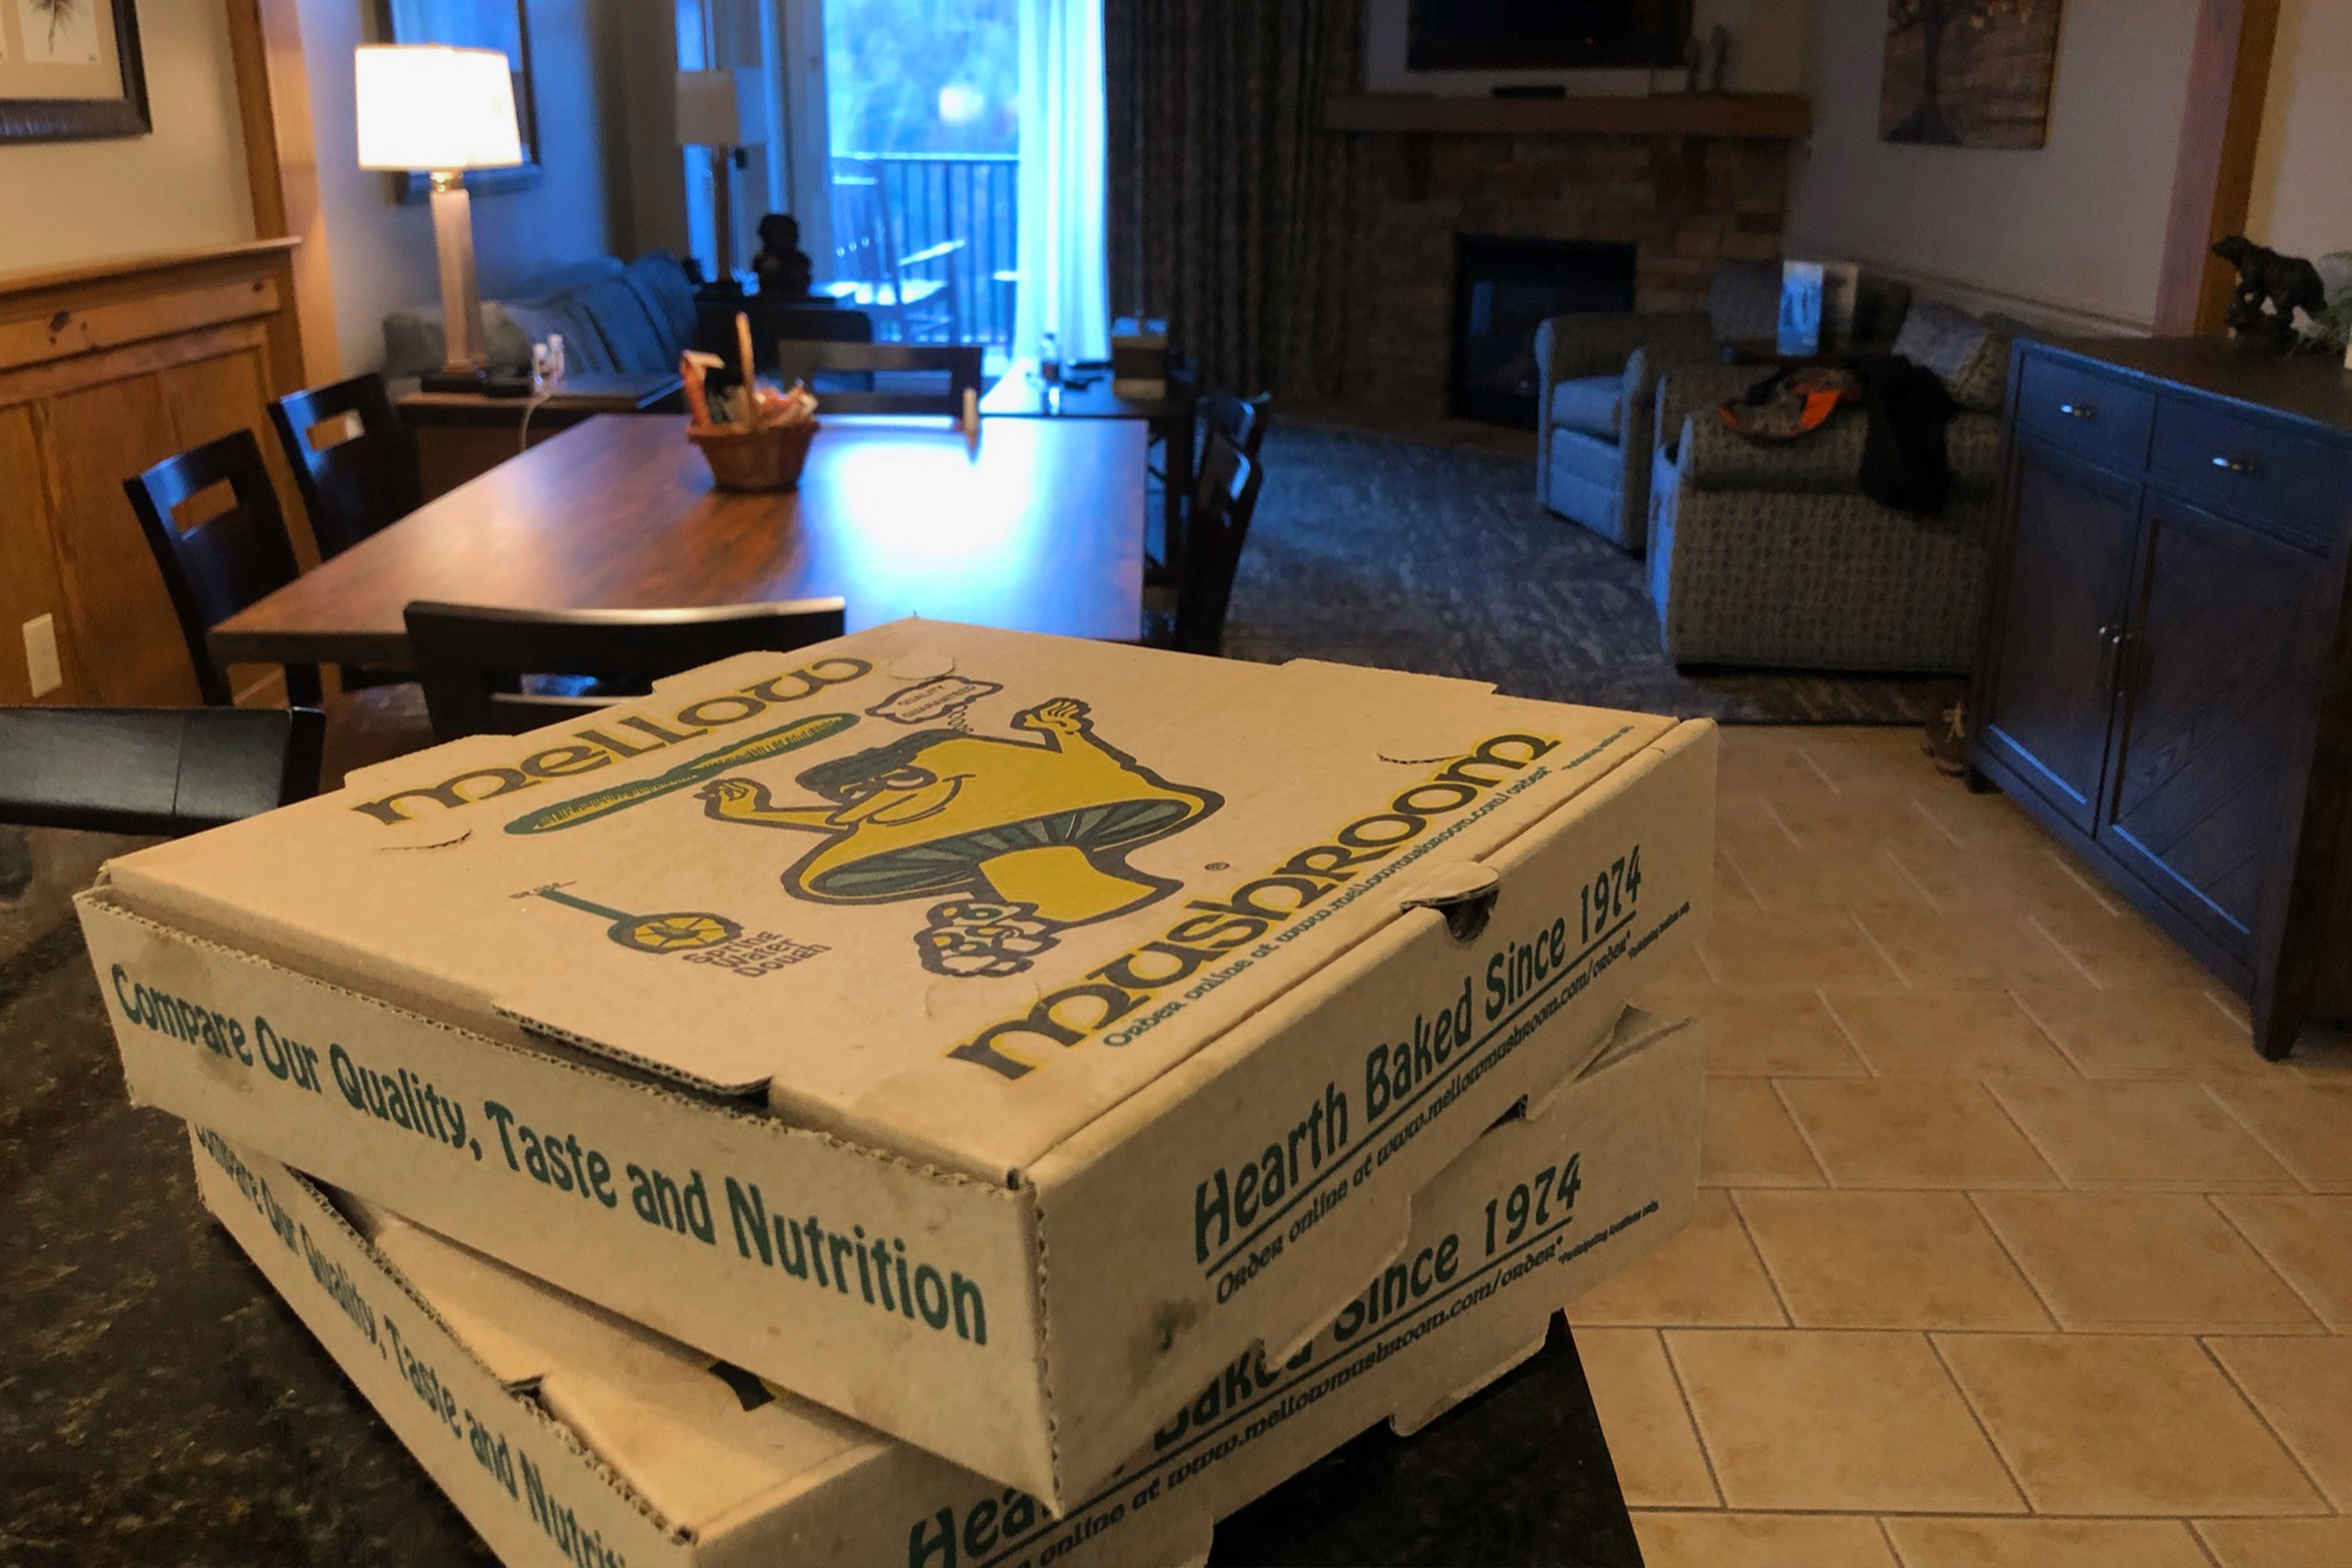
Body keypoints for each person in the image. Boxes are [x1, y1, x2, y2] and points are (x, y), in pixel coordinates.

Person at [751, 213, 813, 298]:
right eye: (785, 233)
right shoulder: (763, 260)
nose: (794, 238)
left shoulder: (800, 260)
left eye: (793, 233)